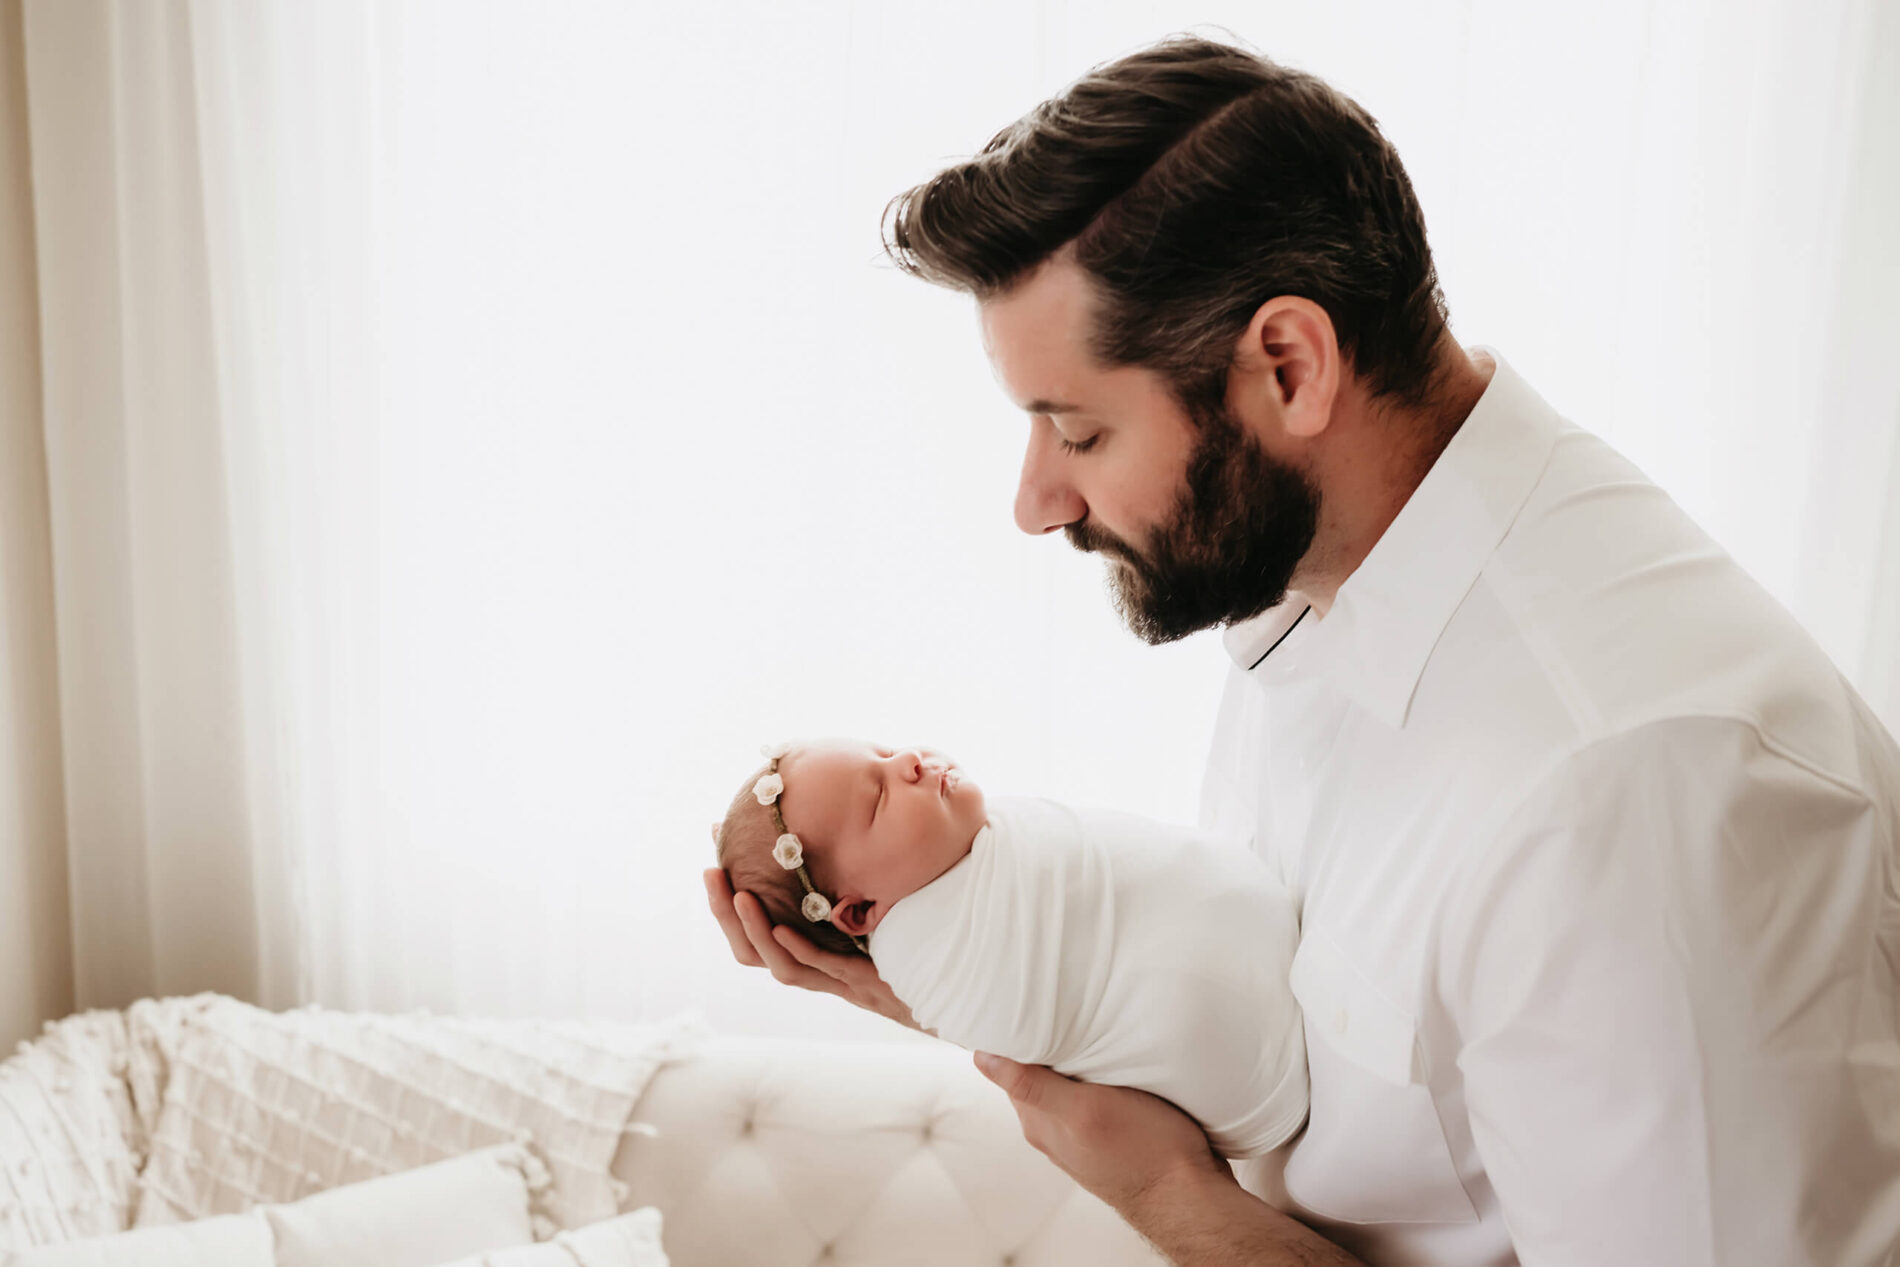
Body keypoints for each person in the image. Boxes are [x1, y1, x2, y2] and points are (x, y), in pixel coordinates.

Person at [705, 33, 1900, 1267]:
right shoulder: (1323, 588)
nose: (1037, 502)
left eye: (1079, 430)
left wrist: (1166, 1195)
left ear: (1288, 366)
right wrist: (984, 978)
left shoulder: (1626, 791)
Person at [710, 737, 1307, 1161]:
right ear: (861, 911)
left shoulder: (983, 845)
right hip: (1264, 1080)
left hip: (1293, 947)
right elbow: (1018, 1025)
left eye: (886, 751)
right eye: (878, 797)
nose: (911, 762)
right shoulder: (932, 957)